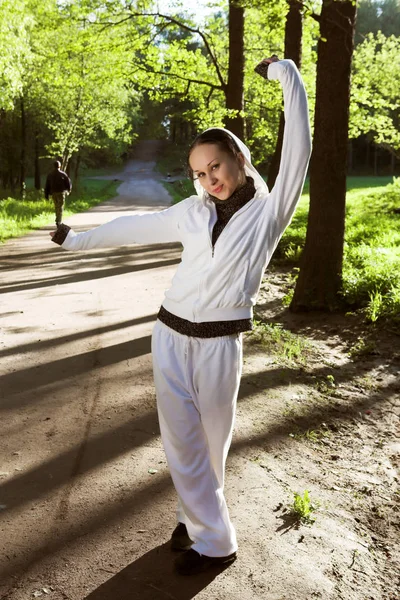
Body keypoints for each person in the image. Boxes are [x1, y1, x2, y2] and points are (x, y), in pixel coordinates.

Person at [50, 56, 311, 576]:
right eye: (198, 172)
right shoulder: (191, 212)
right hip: (170, 335)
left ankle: (191, 519)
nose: (208, 178)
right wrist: (76, 241)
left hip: (220, 344)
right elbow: (135, 227)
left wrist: (286, 76)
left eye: (214, 165)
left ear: (237, 157)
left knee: (211, 441)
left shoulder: (269, 210)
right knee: (181, 439)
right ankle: (216, 542)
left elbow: (300, 145)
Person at [45, 160, 72, 227]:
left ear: (54, 166)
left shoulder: (50, 175)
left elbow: (47, 185)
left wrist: (46, 194)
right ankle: (58, 220)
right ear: (59, 166)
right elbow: (68, 183)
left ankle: (58, 219)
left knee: (57, 206)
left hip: (54, 193)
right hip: (61, 193)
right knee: (60, 206)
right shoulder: (63, 174)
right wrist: (68, 190)